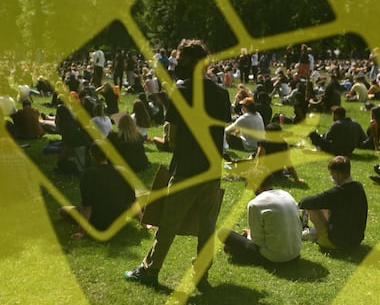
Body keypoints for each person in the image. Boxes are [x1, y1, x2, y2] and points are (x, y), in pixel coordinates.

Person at [124, 38, 231, 288]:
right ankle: (201, 276)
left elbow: (172, 138)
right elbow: (220, 130)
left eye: (181, 61)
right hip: (212, 169)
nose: (177, 65)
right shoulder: (221, 93)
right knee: (207, 227)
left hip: (187, 168)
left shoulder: (181, 91)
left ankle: (149, 271)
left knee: (168, 222)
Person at [218, 173, 302, 266]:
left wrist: (249, 234)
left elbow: (257, 241)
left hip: (273, 258)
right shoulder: (287, 195)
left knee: (223, 232)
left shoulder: (255, 204)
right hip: (295, 253)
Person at [61, 142, 136, 239]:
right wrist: (143, 222)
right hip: (119, 219)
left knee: (63, 210)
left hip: (97, 221)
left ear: (91, 155)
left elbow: (87, 207)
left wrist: (81, 232)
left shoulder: (88, 174)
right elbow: (132, 201)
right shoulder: (123, 171)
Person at [299, 156, 368, 249]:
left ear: (337, 174)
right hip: (356, 240)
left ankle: (312, 233)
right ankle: (313, 231)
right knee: (323, 204)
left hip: (337, 243)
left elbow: (305, 202)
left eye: (332, 174)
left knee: (313, 207)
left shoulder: (337, 193)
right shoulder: (358, 187)